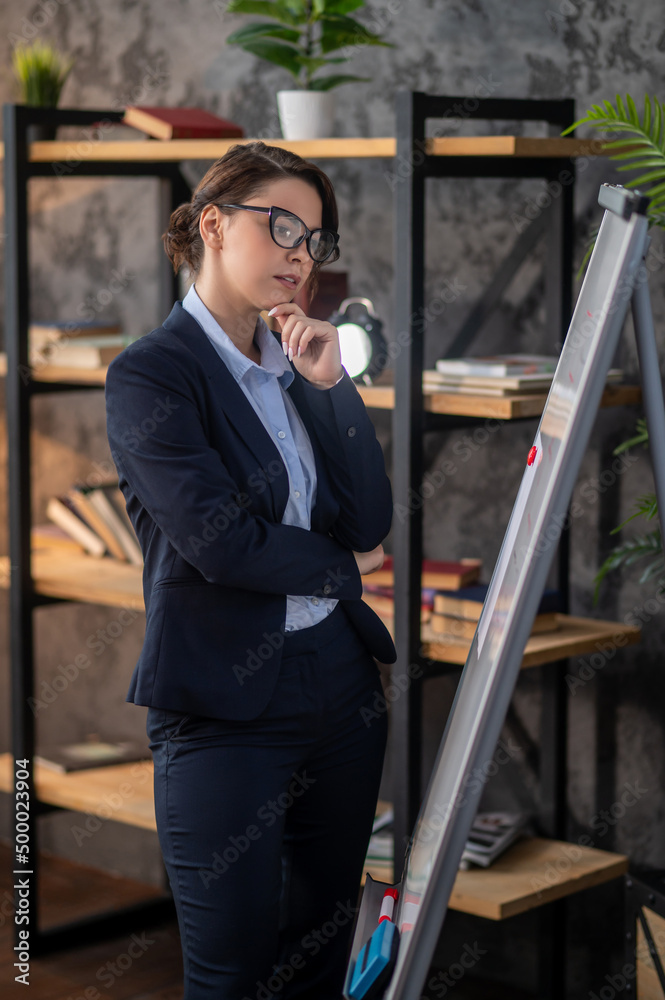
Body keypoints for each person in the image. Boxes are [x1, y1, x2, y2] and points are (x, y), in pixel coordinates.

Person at [104, 140, 396, 1000]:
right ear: (212, 225)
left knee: (319, 953)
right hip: (224, 709)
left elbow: (369, 518)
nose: (301, 255)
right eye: (281, 228)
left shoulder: (302, 358)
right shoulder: (151, 374)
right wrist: (347, 566)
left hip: (341, 692)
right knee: (230, 974)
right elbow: (219, 543)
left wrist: (333, 385)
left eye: (313, 239)